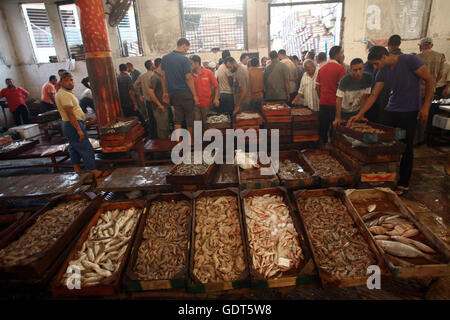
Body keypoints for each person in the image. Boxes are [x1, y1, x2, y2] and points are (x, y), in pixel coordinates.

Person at [348, 46, 434, 196]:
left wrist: (425, 106)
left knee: (406, 148)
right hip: (391, 110)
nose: (374, 67)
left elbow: (430, 80)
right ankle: (384, 179)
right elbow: (374, 95)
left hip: (409, 110)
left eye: (376, 63)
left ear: (384, 57)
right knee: (385, 145)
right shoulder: (382, 71)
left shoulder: (409, 60)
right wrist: (360, 114)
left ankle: (403, 183)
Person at [55, 72, 104, 179]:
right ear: (61, 82)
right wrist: (79, 129)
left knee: (73, 147)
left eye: (71, 80)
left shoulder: (66, 93)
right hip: (72, 124)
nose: (70, 82)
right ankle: (93, 170)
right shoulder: (64, 95)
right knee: (85, 147)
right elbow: (70, 113)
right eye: (66, 80)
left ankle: (77, 168)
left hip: (71, 124)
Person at [161, 38, 199, 141]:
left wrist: (165, 93)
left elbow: (163, 77)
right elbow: (188, 78)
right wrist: (195, 95)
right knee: (189, 118)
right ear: (183, 46)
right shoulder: (184, 59)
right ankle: (190, 142)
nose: (186, 51)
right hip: (185, 94)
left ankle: (178, 143)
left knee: (177, 119)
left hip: (173, 94)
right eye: (186, 49)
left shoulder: (165, 58)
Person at [315, 46, 346, 143]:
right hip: (335, 103)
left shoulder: (322, 68)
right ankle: (333, 147)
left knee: (323, 126)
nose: (342, 55)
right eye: (341, 53)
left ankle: (322, 146)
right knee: (335, 127)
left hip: (323, 101)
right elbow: (342, 88)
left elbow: (317, 87)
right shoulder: (340, 69)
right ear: (337, 55)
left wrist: (321, 96)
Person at [417, 37, 445, 144]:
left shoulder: (418, 57)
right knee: (426, 113)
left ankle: (415, 139)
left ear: (421, 46)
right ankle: (422, 139)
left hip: (419, 89)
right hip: (431, 89)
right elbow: (441, 74)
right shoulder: (440, 56)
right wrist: (433, 83)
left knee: (416, 113)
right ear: (431, 45)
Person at [333, 58, 373, 126]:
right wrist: (338, 117)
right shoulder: (344, 80)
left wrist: (361, 115)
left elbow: (365, 97)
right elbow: (339, 99)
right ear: (350, 70)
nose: (358, 72)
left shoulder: (368, 78)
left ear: (363, 67)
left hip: (357, 111)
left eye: (360, 69)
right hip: (343, 112)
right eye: (355, 70)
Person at [117, 63, 148, 135]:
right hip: (130, 102)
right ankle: (145, 132)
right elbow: (130, 92)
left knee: (129, 119)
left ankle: (133, 134)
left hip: (123, 102)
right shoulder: (127, 77)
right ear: (126, 69)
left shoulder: (118, 77)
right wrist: (135, 103)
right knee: (139, 117)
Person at [190, 55, 219, 129]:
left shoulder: (208, 73)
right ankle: (198, 140)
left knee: (207, 125)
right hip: (195, 105)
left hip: (206, 104)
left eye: (191, 63)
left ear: (197, 63)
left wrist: (216, 98)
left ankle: (207, 140)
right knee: (197, 126)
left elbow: (216, 86)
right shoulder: (189, 75)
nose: (189, 65)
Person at [148, 58, 170, 139]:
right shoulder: (154, 76)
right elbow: (150, 92)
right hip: (159, 107)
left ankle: (166, 145)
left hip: (164, 104)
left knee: (166, 125)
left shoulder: (162, 75)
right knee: (162, 128)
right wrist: (159, 104)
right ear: (161, 64)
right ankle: (163, 147)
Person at [134, 59, 156, 138]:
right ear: (151, 66)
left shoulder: (142, 76)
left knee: (151, 119)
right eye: (153, 64)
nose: (154, 65)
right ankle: (160, 137)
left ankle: (153, 136)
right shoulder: (155, 75)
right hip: (156, 101)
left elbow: (135, 86)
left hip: (147, 101)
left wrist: (140, 95)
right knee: (158, 120)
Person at [215, 50, 234, 115]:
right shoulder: (227, 67)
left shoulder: (220, 67)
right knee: (230, 114)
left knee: (224, 114)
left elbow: (217, 80)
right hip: (228, 93)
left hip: (222, 94)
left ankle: (198, 125)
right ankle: (230, 125)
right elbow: (231, 82)